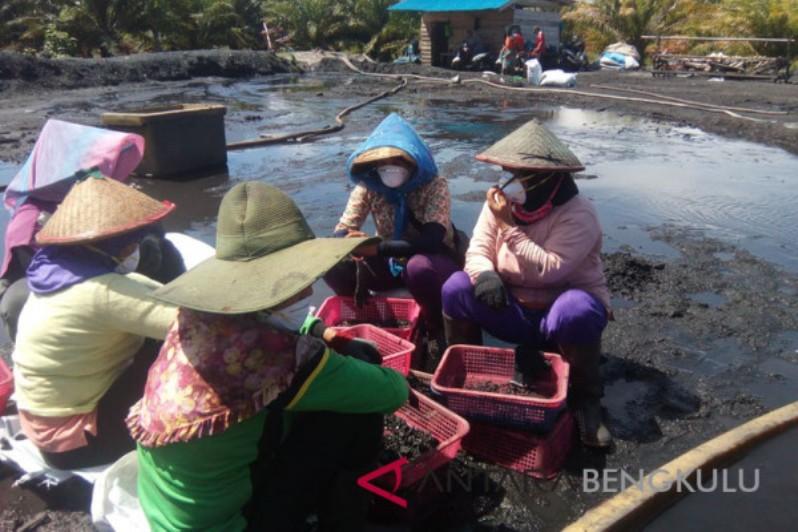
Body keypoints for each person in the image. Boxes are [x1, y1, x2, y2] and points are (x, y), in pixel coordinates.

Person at [127, 181, 408, 532]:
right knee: (356, 415)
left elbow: (276, 322)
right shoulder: (279, 357)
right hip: (232, 524)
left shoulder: (198, 318)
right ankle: (339, 518)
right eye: (296, 280)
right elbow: (392, 392)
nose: (308, 289)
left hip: (166, 516)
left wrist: (325, 331)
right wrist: (353, 364)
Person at [441, 120, 612, 448]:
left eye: (521, 175)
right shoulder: (499, 205)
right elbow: (477, 248)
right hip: (511, 308)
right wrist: (486, 275)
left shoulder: (579, 214)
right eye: (508, 171)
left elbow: (550, 269)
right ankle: (465, 377)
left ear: (549, 179)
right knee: (455, 288)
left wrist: (509, 226)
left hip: (557, 315)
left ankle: (587, 400)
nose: (510, 181)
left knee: (578, 310)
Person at [12, 174, 179, 468]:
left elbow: (132, 287)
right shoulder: (102, 293)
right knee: (178, 349)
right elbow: (194, 323)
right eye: (133, 240)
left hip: (42, 427)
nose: (136, 246)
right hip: (76, 442)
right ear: (116, 242)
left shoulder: (59, 269)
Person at [324, 113, 462, 339]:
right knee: (331, 264)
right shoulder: (369, 187)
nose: (390, 168)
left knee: (418, 267)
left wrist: (377, 248)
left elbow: (431, 240)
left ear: (412, 161)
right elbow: (342, 229)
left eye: (397, 161)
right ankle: (364, 315)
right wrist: (352, 240)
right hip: (389, 264)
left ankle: (434, 326)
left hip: (431, 262)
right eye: (383, 163)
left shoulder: (435, 186)